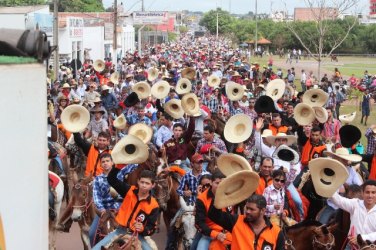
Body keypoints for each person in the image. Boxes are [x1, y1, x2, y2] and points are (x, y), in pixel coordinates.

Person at [92, 168, 159, 250]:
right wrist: (118, 166)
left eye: (147, 183)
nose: (144, 185)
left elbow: (152, 228)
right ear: (138, 181)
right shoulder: (128, 191)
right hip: (119, 231)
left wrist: (143, 229)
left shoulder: (154, 205)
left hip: (138, 236)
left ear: (153, 185)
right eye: (142, 182)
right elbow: (111, 179)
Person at [208, 194, 285, 250]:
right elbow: (213, 215)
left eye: (252, 209)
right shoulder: (236, 221)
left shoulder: (276, 232)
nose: (247, 211)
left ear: (262, 211)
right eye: (247, 208)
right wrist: (219, 195)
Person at [89, 153, 134, 246]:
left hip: (120, 209)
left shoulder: (120, 173)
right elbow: (96, 196)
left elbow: (133, 165)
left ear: (112, 162)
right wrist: (101, 209)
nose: (105, 163)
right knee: (92, 233)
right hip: (104, 210)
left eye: (107, 161)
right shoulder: (97, 179)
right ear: (100, 164)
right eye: (103, 162)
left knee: (131, 231)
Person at [329, 180, 376, 248]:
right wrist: (327, 184)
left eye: (373, 192)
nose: (370, 195)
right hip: (351, 246)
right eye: (367, 192)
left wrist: (361, 238)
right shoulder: (355, 204)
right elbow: (337, 200)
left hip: (370, 247)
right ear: (362, 193)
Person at [192, 170, 232, 250]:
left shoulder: (230, 195)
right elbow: (199, 223)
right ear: (211, 182)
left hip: (228, 233)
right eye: (217, 183)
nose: (220, 186)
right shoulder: (202, 199)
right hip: (209, 234)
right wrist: (216, 234)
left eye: (223, 183)